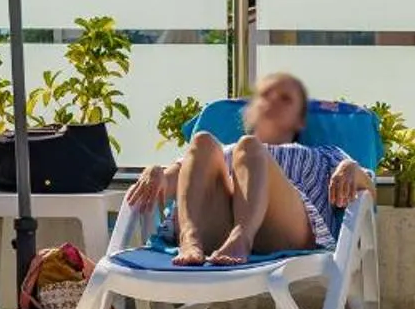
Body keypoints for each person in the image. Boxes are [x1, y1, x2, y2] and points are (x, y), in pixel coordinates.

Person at [123, 73, 370, 265]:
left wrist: (350, 168)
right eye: (265, 95)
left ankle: (242, 236)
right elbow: (173, 181)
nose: (272, 101)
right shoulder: (221, 152)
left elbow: (369, 190)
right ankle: (190, 238)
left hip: (286, 232)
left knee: (250, 147)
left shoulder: (323, 154)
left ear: (300, 118)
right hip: (217, 230)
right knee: (202, 141)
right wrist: (155, 172)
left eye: (285, 98)